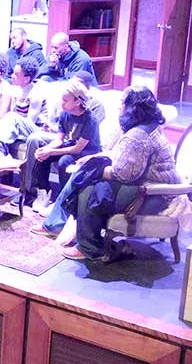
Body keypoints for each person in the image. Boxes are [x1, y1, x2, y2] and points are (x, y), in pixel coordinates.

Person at [34, 86, 181, 261]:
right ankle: (59, 225)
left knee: (89, 189)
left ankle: (90, 247)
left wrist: (96, 171)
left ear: (132, 107)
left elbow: (125, 174)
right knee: (84, 174)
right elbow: (130, 160)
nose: (120, 107)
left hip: (152, 193)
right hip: (146, 185)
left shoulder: (137, 135)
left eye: (122, 103)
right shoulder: (149, 127)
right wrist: (97, 159)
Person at [21, 79, 102, 211]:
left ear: (77, 101)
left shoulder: (90, 119)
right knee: (42, 156)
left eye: (65, 100)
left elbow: (78, 149)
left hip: (88, 152)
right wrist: (46, 149)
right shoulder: (65, 114)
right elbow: (59, 140)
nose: (62, 103)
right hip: (71, 146)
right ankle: (44, 191)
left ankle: (62, 200)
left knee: (64, 162)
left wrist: (51, 152)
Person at [0, 56, 48, 156]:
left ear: (26, 79)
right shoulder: (16, 90)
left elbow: (29, 121)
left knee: (11, 116)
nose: (12, 76)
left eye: (16, 75)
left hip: (35, 129)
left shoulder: (36, 94)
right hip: (18, 124)